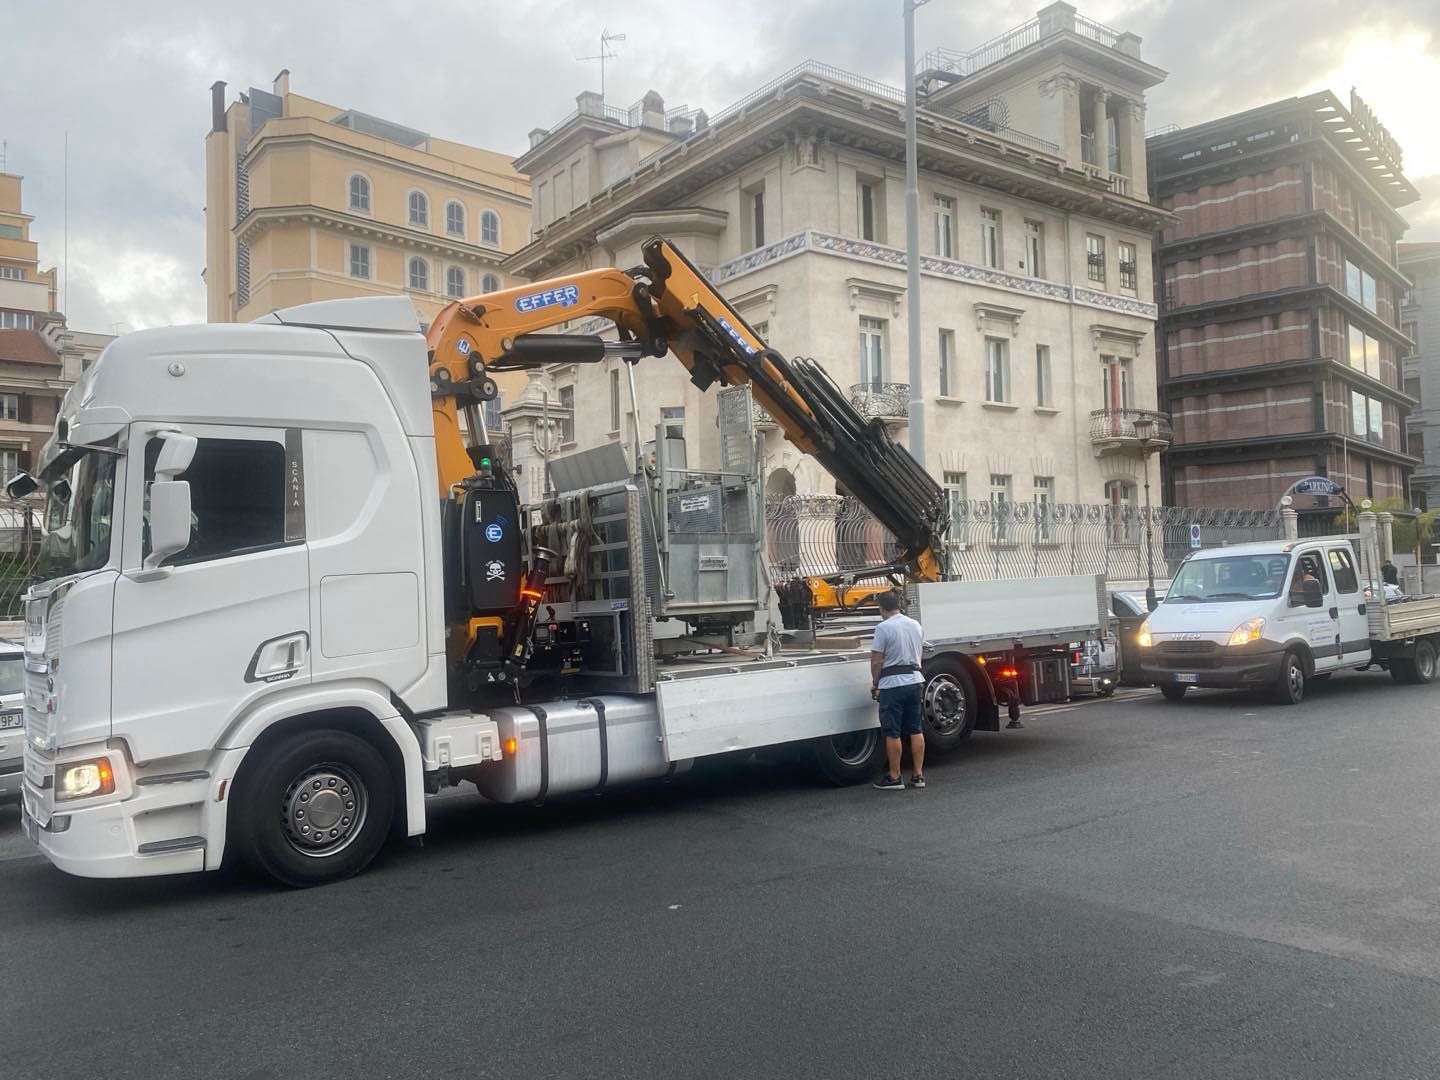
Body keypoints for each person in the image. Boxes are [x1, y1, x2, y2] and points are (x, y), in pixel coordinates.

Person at [869, 591, 926, 790]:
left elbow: (876, 661)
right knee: (916, 729)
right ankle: (918, 776)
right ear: (898, 605)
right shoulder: (915, 625)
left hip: (892, 684)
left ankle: (895, 777)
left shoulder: (883, 627)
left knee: (892, 731)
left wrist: (876, 682)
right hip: (915, 680)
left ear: (881, 608)